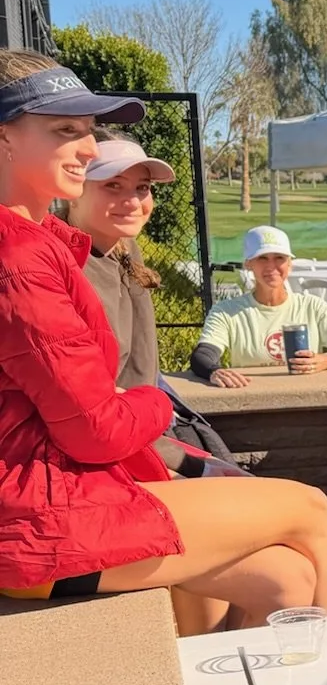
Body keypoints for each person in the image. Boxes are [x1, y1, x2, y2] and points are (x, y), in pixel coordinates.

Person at [0, 51, 327, 623]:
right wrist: (157, 399)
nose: (87, 148)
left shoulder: (50, 244)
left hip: (62, 492)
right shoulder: (19, 257)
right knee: (310, 506)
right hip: (37, 521)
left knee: (286, 580)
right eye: (65, 130)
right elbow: (96, 429)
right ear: (5, 138)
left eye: (86, 131)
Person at [66, 133, 242, 477]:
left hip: (148, 434)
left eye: (142, 187)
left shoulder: (124, 248)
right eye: (113, 185)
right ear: (73, 191)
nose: (132, 201)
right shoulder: (67, 265)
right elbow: (94, 410)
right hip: (107, 459)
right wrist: (191, 466)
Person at [191, 226, 327, 385]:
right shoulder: (226, 312)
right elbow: (202, 356)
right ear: (248, 264)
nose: (272, 266)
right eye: (262, 258)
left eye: (279, 258)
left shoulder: (312, 306)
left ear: (290, 264)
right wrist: (214, 372)